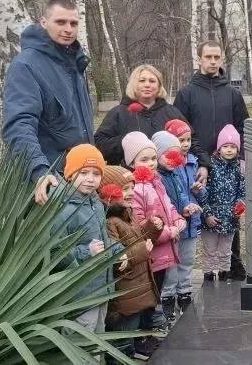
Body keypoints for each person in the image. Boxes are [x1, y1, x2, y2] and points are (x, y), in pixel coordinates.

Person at [2, 0, 95, 204]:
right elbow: (19, 125)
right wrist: (39, 170)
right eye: (60, 22)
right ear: (44, 22)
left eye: (73, 23)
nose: (68, 29)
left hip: (79, 179)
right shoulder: (26, 65)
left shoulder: (75, 64)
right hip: (49, 182)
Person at [173, 40, 250, 280]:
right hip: (198, 165)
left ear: (222, 59)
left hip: (229, 164)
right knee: (202, 213)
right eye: (208, 57)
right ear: (199, 59)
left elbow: (243, 127)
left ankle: (232, 264)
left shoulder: (233, 93)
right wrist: (202, 161)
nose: (213, 61)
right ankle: (202, 268)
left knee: (230, 212)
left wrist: (241, 157)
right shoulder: (186, 93)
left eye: (217, 57)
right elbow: (182, 130)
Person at [122, 131, 186, 358]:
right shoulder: (136, 189)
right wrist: (172, 231)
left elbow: (169, 208)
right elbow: (142, 226)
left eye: (152, 158)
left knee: (154, 296)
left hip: (164, 254)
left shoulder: (156, 182)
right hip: (151, 255)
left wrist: (178, 220)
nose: (150, 163)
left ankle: (147, 335)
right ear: (132, 163)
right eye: (143, 159)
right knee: (147, 299)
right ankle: (140, 340)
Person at [50, 144, 125, 334]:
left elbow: (103, 238)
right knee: (81, 339)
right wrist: (86, 252)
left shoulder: (95, 203)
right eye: (83, 172)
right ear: (69, 174)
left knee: (98, 335)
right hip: (79, 295)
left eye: (96, 173)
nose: (90, 179)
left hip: (100, 289)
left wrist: (118, 251)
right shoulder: (62, 208)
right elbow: (54, 252)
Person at [99, 168, 162, 362]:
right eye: (124, 188)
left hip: (136, 289)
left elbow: (139, 240)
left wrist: (152, 228)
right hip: (125, 295)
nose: (130, 193)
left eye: (132, 188)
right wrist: (142, 250)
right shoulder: (110, 222)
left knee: (130, 335)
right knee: (121, 339)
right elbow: (117, 259)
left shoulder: (127, 213)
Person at [151, 129, 203, 323]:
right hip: (168, 228)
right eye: (167, 155)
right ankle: (167, 297)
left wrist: (186, 206)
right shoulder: (157, 178)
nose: (173, 159)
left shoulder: (173, 174)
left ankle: (184, 294)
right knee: (170, 266)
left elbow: (180, 195)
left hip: (182, 223)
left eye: (176, 155)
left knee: (186, 260)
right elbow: (161, 203)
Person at [95, 64, 188, 166]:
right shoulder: (118, 113)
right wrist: (126, 141)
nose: (147, 85)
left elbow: (191, 138)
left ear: (159, 86)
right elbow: (100, 144)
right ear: (133, 85)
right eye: (142, 81)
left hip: (170, 172)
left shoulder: (172, 112)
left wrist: (199, 163)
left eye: (152, 81)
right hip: (130, 174)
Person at [201, 125, 247, 281]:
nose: (229, 150)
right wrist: (207, 214)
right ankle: (208, 276)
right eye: (225, 146)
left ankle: (224, 275)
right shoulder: (210, 167)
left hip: (230, 218)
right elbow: (203, 193)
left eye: (233, 147)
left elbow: (242, 192)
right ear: (219, 148)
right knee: (209, 250)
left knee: (225, 251)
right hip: (211, 218)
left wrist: (238, 208)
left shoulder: (239, 168)